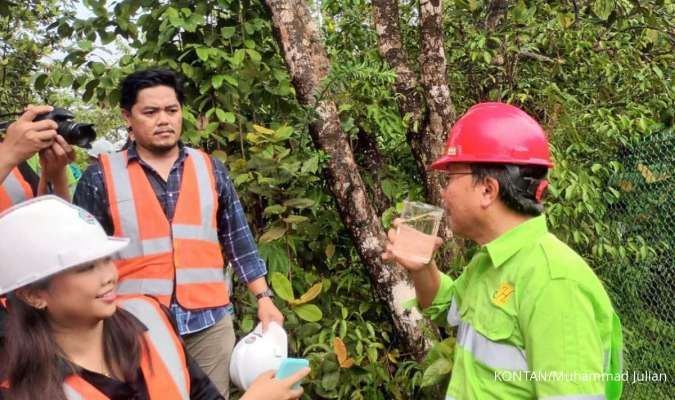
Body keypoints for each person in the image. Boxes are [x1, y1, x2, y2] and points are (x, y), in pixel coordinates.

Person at [382, 102, 624, 400]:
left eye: (451, 178)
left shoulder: (554, 283)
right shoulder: (490, 260)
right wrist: (422, 268)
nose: (444, 193)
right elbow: (447, 309)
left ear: (487, 190)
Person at [74, 69, 284, 398]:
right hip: (133, 326)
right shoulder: (99, 176)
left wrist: (264, 298)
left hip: (209, 323)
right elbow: (80, 258)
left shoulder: (210, 169)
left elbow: (238, 240)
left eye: (172, 111)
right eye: (150, 112)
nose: (164, 120)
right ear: (127, 116)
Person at [0, 196, 309, 400]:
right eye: (85, 268)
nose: (109, 275)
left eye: (107, 259)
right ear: (34, 295)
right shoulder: (28, 391)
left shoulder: (150, 317)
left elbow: (202, 394)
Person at [0, 105, 74, 210]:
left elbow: (52, 217)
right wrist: (8, 154)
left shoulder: (14, 159)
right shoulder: (9, 153)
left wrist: (56, 177)